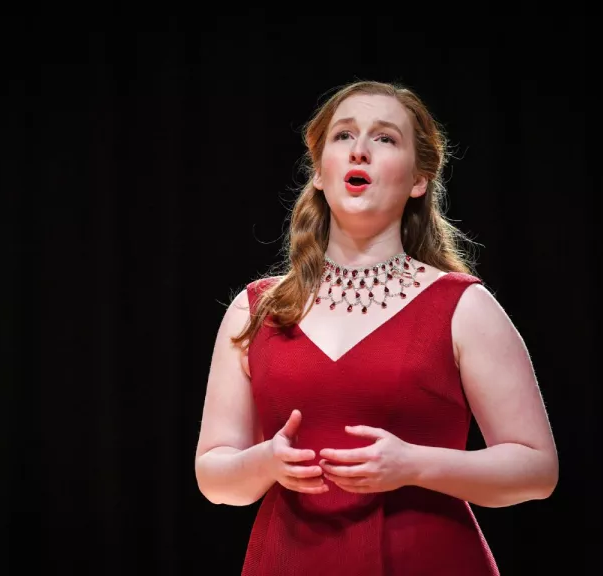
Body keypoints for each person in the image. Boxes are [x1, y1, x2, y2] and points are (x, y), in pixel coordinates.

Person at [194, 80, 558, 575]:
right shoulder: (255, 309)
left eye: (385, 138)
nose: (360, 150)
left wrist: (413, 465)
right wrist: (265, 463)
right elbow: (214, 476)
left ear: (418, 179)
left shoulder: (462, 306)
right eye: (343, 136)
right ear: (320, 172)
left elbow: (536, 469)